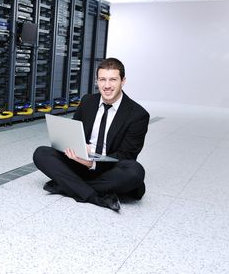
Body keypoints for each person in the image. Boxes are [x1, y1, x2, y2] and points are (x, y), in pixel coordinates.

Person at [33, 58, 149, 211]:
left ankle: (67, 186)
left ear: (123, 81)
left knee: (135, 172)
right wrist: (74, 150)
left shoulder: (137, 114)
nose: (107, 86)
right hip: (79, 162)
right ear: (97, 81)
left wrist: (92, 162)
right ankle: (95, 196)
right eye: (102, 80)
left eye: (113, 79)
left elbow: (126, 156)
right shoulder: (88, 101)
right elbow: (73, 133)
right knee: (41, 153)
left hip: (109, 168)